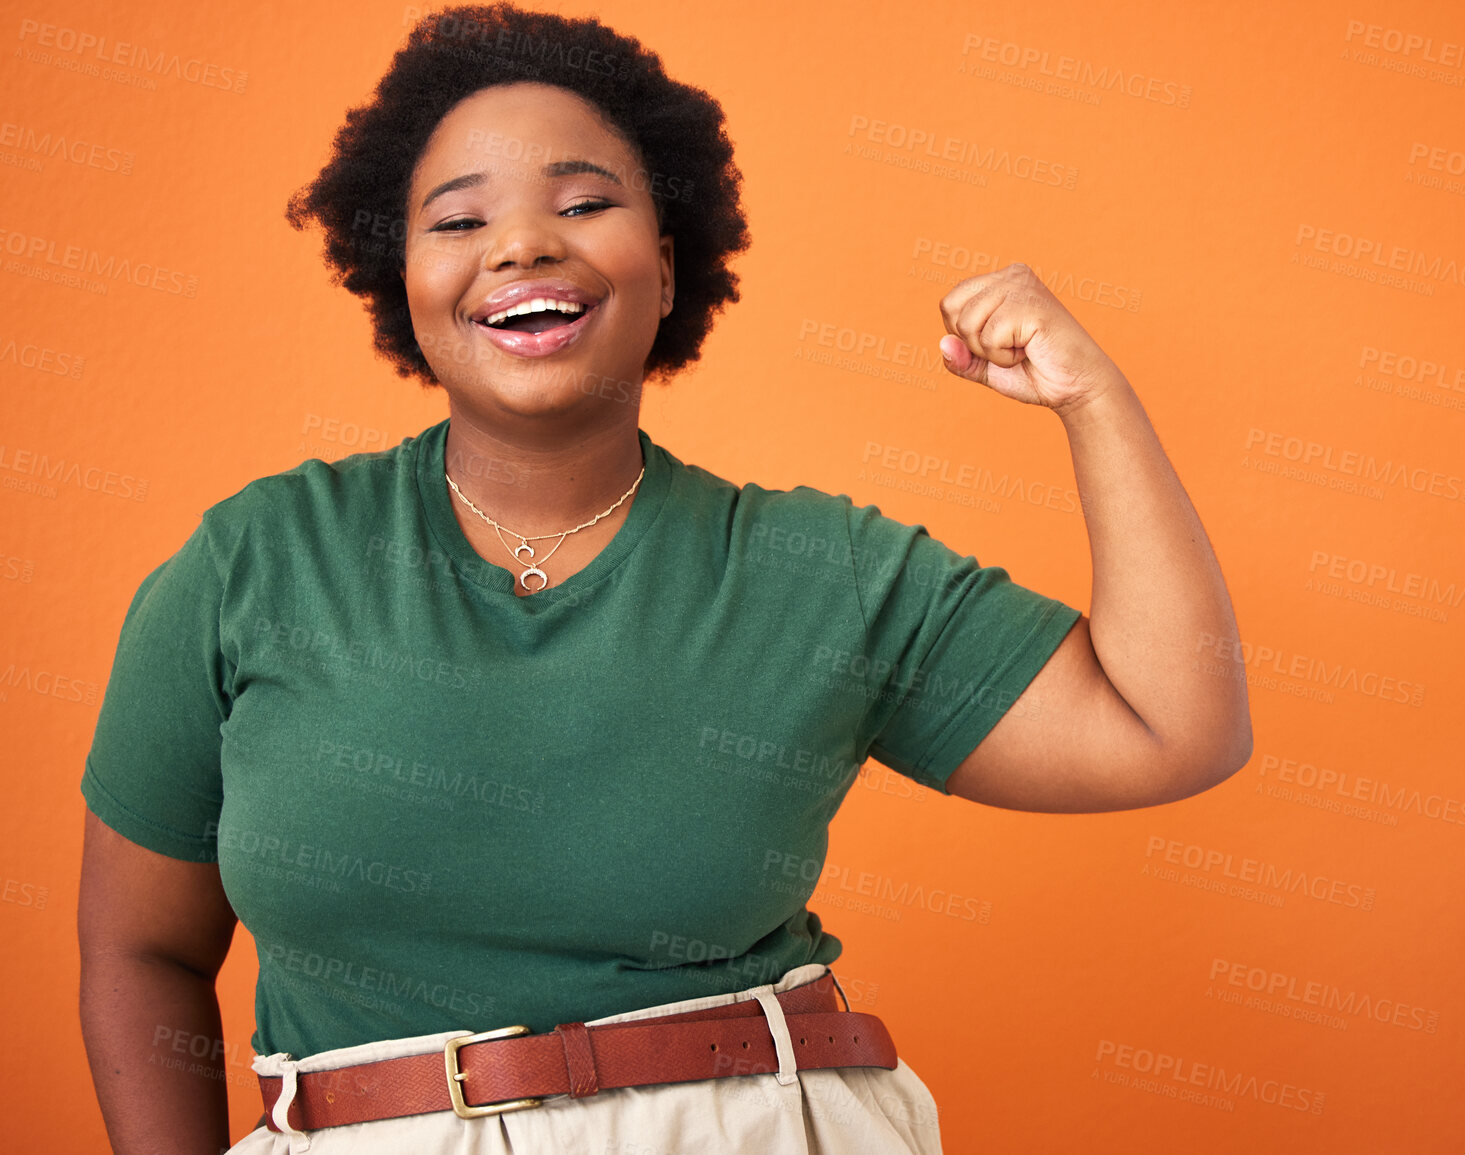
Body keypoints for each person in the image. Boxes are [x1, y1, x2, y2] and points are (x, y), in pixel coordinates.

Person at [75, 5, 1254, 1153]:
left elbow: (1172, 727)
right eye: (457, 220)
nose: (525, 244)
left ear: (670, 264)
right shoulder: (253, 562)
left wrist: (1095, 402)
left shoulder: (817, 571)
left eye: (585, 203)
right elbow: (144, 953)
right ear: (403, 280)